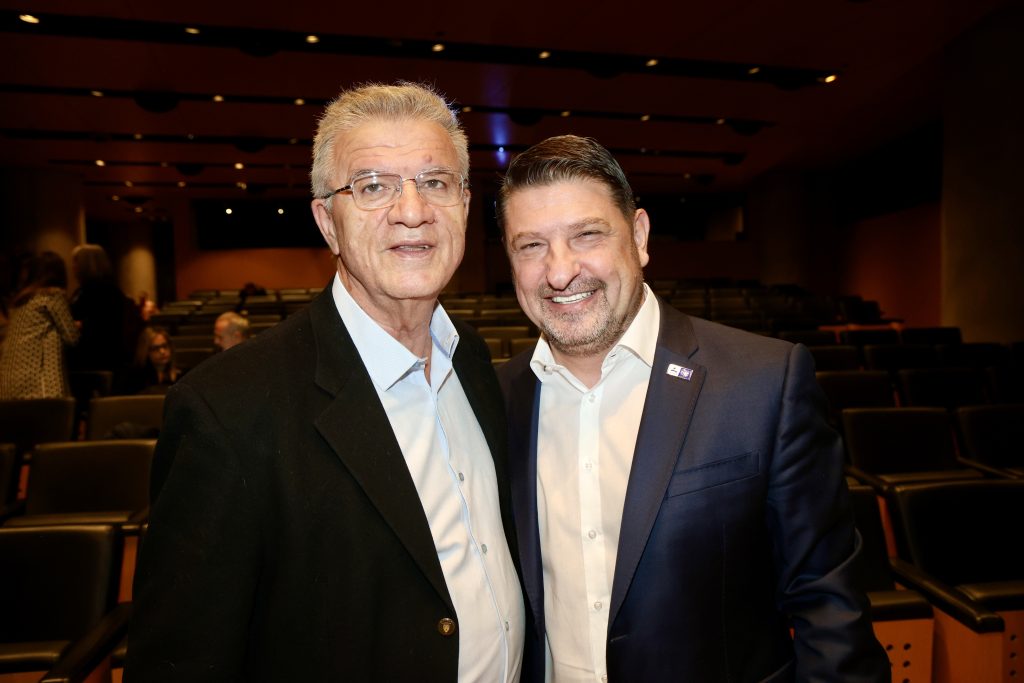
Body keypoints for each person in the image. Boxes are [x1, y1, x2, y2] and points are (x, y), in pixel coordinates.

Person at [126, 82, 526, 682]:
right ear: (327, 222)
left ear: (465, 206)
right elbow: (180, 662)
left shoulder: (470, 358)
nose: (412, 210)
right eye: (373, 186)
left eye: (435, 182)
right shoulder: (227, 411)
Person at [495, 135, 890, 683]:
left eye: (586, 235)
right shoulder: (496, 398)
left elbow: (829, 607)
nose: (559, 272)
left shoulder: (764, 382)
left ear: (639, 236)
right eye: (531, 245)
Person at [0, 251, 80, 399]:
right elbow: (72, 338)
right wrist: (77, 326)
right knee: (53, 335)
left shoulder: (21, 301)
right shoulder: (52, 296)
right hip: (40, 389)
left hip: (7, 388)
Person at [68, 243, 141, 373]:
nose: (72, 266)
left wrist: (79, 325)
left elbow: (105, 324)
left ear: (86, 264)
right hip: (83, 358)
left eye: (76, 262)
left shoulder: (107, 292)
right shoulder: (81, 291)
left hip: (99, 358)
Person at [117, 326, 182, 395]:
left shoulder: (182, 375)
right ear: (145, 351)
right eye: (155, 348)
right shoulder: (133, 379)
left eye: (165, 346)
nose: (162, 351)